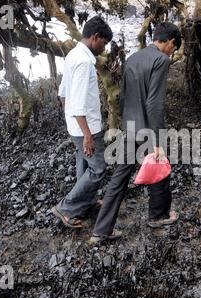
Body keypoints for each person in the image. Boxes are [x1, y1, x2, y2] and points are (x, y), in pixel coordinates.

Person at [88, 22, 182, 244]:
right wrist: (158, 140)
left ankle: (101, 230)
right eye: (174, 47)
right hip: (147, 128)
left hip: (130, 126)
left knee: (119, 177)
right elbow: (154, 103)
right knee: (160, 165)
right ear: (170, 42)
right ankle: (157, 216)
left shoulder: (132, 58)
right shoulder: (161, 60)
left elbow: (123, 97)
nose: (173, 51)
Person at [51, 16, 113, 228]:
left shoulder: (72, 54)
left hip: (76, 124)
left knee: (84, 164)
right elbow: (76, 102)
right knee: (98, 169)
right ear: (95, 37)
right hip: (87, 127)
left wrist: (73, 122)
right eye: (103, 43)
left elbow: (63, 94)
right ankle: (67, 207)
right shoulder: (85, 61)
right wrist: (87, 134)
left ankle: (85, 203)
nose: (103, 49)